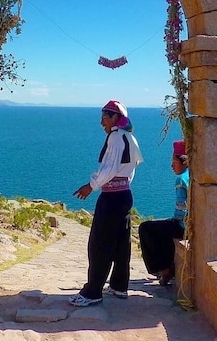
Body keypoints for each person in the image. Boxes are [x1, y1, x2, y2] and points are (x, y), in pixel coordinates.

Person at [70, 100, 143, 307]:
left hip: (111, 198)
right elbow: (130, 168)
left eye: (104, 118)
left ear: (115, 118)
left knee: (99, 244)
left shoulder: (115, 137)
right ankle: (119, 286)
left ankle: (93, 292)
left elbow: (109, 168)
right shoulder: (129, 137)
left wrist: (90, 186)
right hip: (124, 195)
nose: (102, 122)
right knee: (121, 243)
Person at [138, 140, 189, 286]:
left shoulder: (181, 179)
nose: (172, 166)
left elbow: (181, 209)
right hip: (191, 225)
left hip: (184, 226)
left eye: (174, 161)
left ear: (184, 162)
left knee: (146, 228)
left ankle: (164, 270)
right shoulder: (193, 175)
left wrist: (175, 220)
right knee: (166, 228)